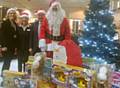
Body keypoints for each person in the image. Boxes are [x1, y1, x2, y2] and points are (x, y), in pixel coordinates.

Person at [39, 0, 82, 66]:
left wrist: (67, 44)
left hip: (60, 43)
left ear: (59, 8)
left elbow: (67, 33)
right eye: (53, 7)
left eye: (56, 7)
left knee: (60, 60)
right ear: (50, 8)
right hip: (49, 42)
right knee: (48, 60)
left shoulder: (64, 19)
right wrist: (42, 42)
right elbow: (42, 31)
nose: (55, 9)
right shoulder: (46, 19)